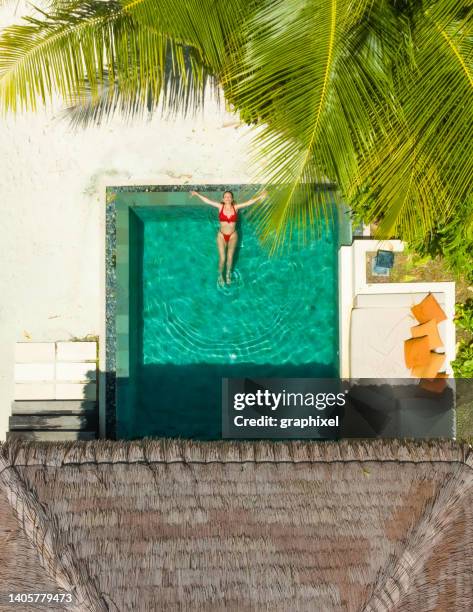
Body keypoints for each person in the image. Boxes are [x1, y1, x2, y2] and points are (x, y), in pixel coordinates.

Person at [190, 189, 268, 285]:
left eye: (229, 197)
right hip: (221, 236)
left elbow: (248, 203)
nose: (227, 198)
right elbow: (208, 201)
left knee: (230, 257)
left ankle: (227, 275)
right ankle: (220, 275)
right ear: (223, 199)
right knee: (222, 258)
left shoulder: (235, 208)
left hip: (233, 236)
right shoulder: (220, 207)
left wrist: (261, 196)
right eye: (226, 197)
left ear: (232, 199)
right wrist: (197, 194)